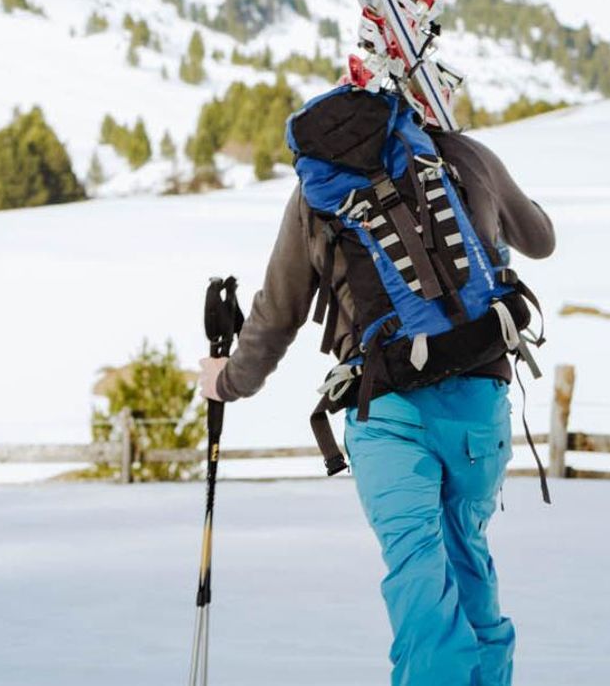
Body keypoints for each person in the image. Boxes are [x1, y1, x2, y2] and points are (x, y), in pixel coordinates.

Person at [198, 128, 555, 686]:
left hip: (385, 407)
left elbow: (278, 312)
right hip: (478, 401)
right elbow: (541, 238)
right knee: (469, 560)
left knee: (420, 577)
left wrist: (229, 381)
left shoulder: (320, 184)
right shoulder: (463, 156)